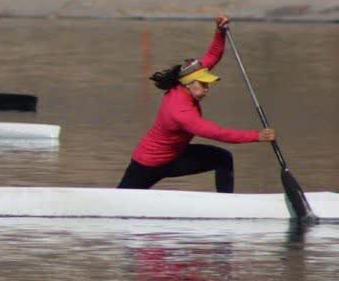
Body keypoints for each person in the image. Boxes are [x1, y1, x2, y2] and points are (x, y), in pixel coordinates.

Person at [117, 15, 273, 194]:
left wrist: (220, 31)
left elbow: (213, 55)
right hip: (148, 163)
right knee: (120, 198)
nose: (207, 88)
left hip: (175, 155)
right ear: (189, 84)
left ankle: (227, 205)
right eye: (203, 84)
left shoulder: (185, 79)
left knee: (222, 158)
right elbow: (218, 133)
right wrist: (257, 136)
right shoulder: (181, 112)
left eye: (208, 84)